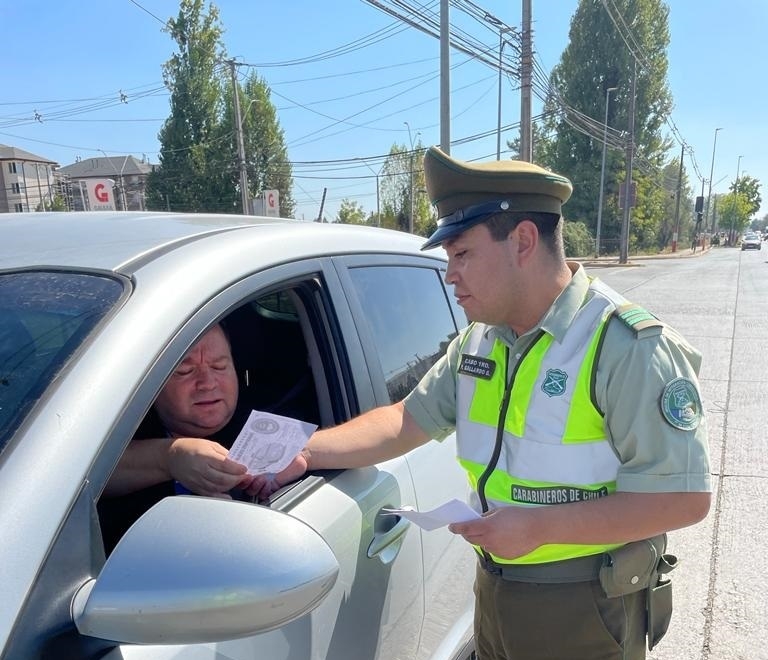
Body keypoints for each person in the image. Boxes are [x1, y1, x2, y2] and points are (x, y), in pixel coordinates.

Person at [253, 147, 712, 660]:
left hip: (583, 604)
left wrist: (537, 528)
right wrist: (308, 451)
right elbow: (407, 419)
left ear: (522, 240)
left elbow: (683, 498)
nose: (450, 274)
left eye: (462, 254)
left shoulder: (625, 346)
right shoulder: (480, 340)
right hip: (494, 588)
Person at [98, 323, 254, 554]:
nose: (208, 383)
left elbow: (329, 442)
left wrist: (301, 453)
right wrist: (169, 458)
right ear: (150, 382)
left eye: (219, 367)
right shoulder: (116, 428)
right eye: (184, 371)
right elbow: (78, 476)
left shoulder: (264, 414)